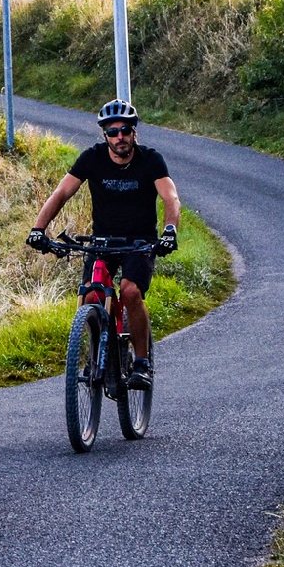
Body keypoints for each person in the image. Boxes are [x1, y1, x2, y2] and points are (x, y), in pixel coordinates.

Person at [26, 99, 180, 388]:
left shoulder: (151, 160)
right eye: (112, 132)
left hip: (140, 243)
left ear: (134, 132)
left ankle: (141, 363)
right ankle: (98, 355)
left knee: (130, 291)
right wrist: (38, 229)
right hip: (101, 242)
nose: (119, 137)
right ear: (104, 135)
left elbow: (170, 198)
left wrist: (170, 230)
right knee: (90, 297)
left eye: (124, 130)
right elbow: (61, 193)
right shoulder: (92, 158)